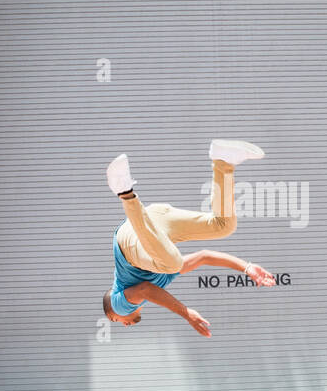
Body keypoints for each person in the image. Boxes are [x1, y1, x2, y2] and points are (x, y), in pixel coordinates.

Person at [103, 140, 275, 337]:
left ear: (113, 313)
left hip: (130, 241)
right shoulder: (160, 277)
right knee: (223, 226)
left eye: (116, 321)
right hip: (156, 219)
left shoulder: (119, 304)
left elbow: (144, 290)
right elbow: (204, 257)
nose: (124, 324)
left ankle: (124, 192)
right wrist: (246, 267)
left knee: (172, 264)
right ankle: (223, 161)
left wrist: (186, 313)